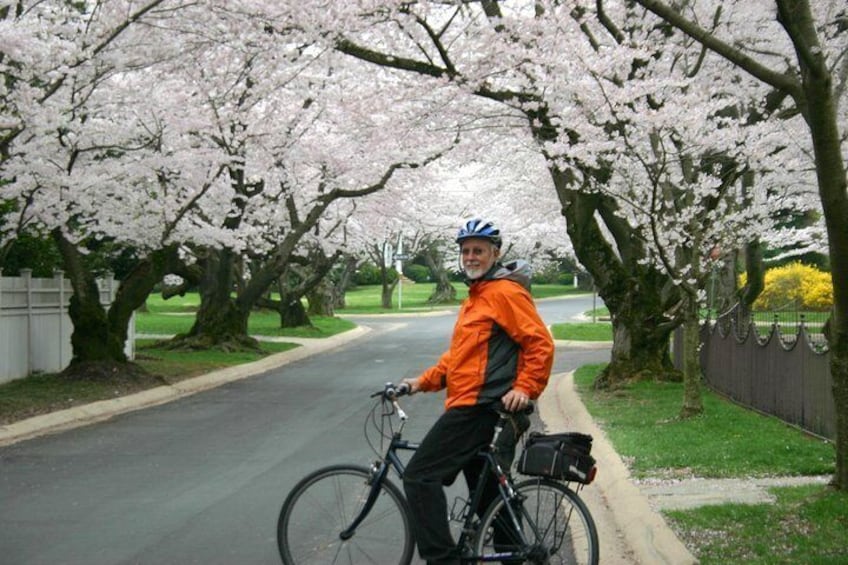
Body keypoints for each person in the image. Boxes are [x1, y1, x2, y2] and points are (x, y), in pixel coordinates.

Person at [401, 218, 555, 565]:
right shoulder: (478, 296)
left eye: (479, 251)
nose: (471, 257)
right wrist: (419, 383)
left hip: (481, 408)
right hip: (474, 404)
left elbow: (539, 343)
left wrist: (525, 387)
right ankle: (516, 556)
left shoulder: (504, 292)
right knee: (489, 497)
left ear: (495, 254)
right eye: (466, 251)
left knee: (419, 475)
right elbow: (459, 360)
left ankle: (442, 560)